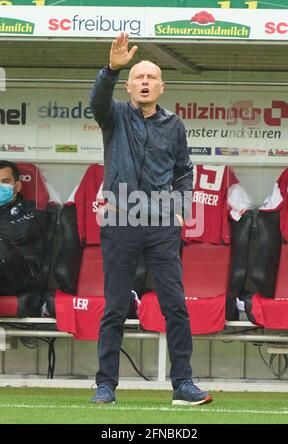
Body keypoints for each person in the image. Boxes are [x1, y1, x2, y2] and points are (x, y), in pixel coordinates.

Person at [89, 33, 212, 406]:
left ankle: (183, 384)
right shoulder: (113, 117)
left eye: (151, 77)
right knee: (114, 307)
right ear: (129, 86)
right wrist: (110, 68)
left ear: (162, 86)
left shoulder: (174, 125)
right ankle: (105, 385)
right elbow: (97, 100)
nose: (144, 82)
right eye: (138, 77)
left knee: (175, 303)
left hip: (161, 225)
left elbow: (183, 172)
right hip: (120, 222)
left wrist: (179, 207)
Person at [0, 160, 47, 296]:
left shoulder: (32, 211)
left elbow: (18, 233)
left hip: (25, 277)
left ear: (18, 185)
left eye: (5, 181)